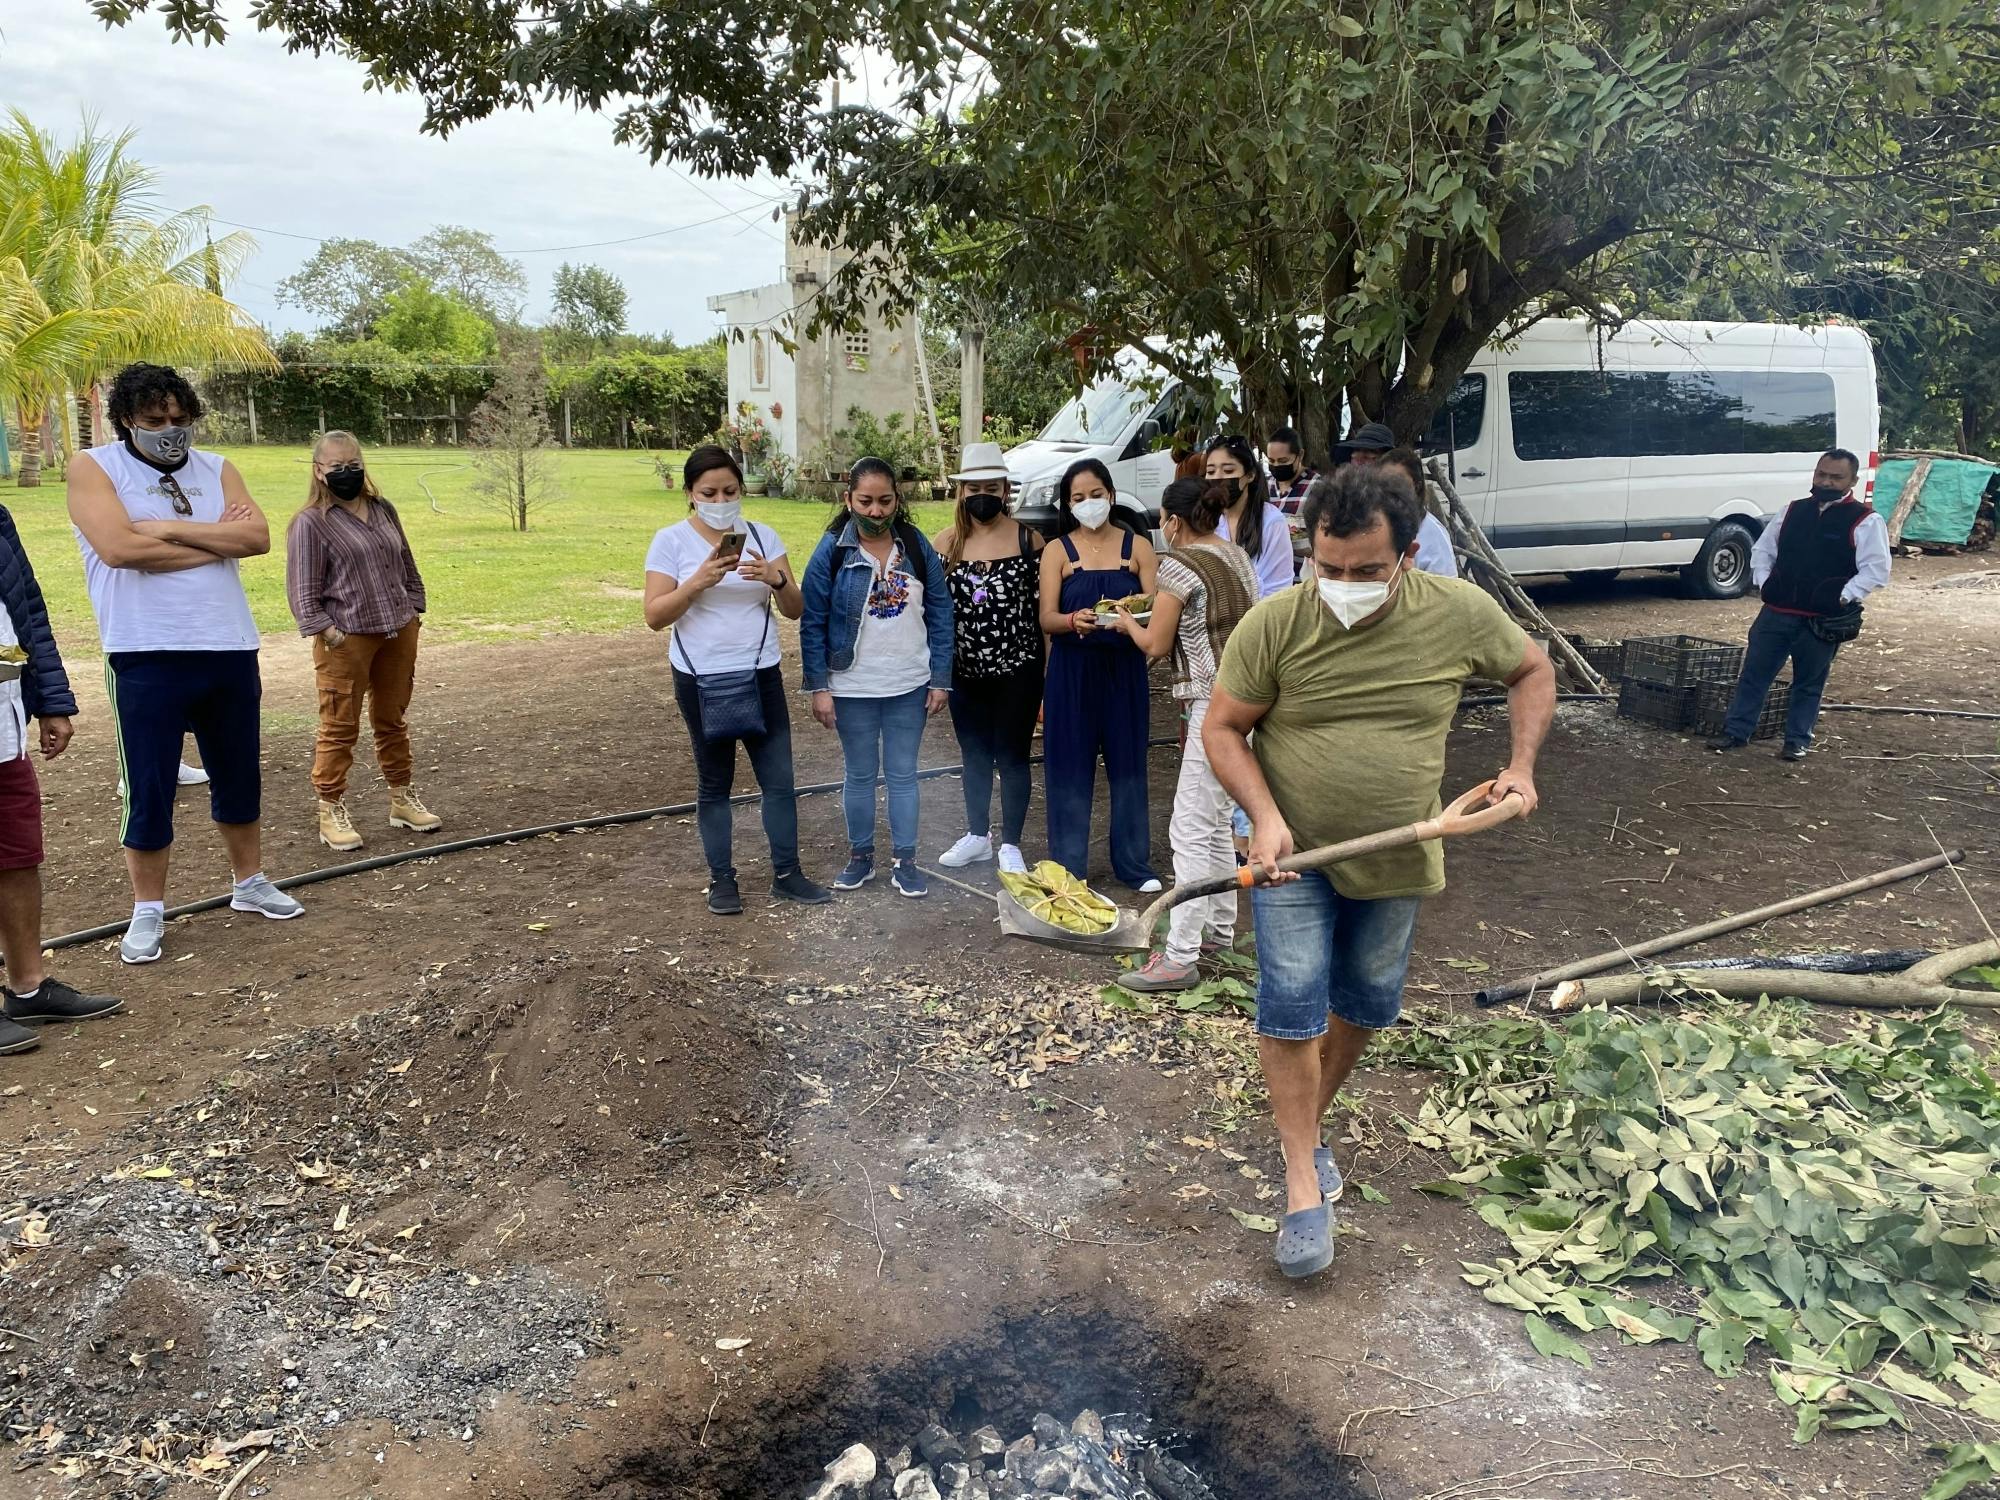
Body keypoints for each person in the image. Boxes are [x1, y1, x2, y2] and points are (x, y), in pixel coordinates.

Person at [1205, 465, 1555, 1279]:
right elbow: (1223, 729)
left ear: (1406, 557)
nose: (1345, 586)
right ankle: (1300, 1181)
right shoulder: (1275, 624)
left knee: (1365, 999)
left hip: (1399, 850)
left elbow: (1532, 670)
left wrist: (1521, 767)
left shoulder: (1458, 613)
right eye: (1329, 569)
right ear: (1308, 552)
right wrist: (1263, 818)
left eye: (1366, 571)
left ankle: (1307, 1128)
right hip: (1291, 852)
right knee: (1291, 1000)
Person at [67, 362, 303, 966]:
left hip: (227, 645)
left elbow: (256, 540)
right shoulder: (95, 468)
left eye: (180, 419)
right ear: (126, 420)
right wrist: (210, 540)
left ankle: (248, 883)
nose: (170, 430)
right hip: (144, 650)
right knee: (149, 785)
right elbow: (118, 549)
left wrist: (168, 530)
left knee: (237, 773)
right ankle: (148, 910)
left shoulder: (219, 468)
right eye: (154, 421)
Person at [645, 445, 830, 915]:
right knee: (714, 782)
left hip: (759, 672)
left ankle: (787, 873)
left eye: (729, 490)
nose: (720, 499)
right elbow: (653, 615)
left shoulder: (763, 536)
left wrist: (776, 578)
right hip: (700, 677)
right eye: (709, 491)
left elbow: (796, 609)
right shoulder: (671, 542)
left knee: (779, 780)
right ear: (690, 493)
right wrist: (696, 582)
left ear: (742, 489)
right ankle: (721, 879)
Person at [1103, 478, 1258, 992]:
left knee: (1188, 828)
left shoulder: (1178, 565)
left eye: (1163, 521)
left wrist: (1126, 621)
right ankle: (1218, 929)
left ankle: (1180, 956)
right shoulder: (1236, 556)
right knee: (1214, 823)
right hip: (1248, 699)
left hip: (1211, 707)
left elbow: (1155, 643)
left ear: (1173, 520)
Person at [800, 458, 955, 899]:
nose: (875, 511)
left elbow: (942, 613)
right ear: (848, 499)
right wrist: (820, 687)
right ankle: (860, 857)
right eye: (865, 501)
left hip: (909, 684)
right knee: (860, 774)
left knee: (905, 775)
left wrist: (940, 678)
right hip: (852, 688)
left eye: (884, 501)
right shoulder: (832, 550)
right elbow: (812, 621)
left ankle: (906, 861)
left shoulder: (916, 546)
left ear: (897, 500)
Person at [0, 504, 123, 1057]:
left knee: (18, 855)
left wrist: (50, 700)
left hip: (4, 726)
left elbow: (27, 609)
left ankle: (28, 988)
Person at [286, 431, 441, 852]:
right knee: (339, 725)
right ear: (319, 471)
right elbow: (303, 590)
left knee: (392, 717)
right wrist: (327, 630)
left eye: (353, 464)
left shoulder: (381, 508)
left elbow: (405, 560)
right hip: (345, 637)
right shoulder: (311, 522)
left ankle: (401, 798)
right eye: (337, 466)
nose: (347, 472)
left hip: (396, 628)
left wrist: (414, 607)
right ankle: (330, 808)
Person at [1708, 448, 1888, 761]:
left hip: (1820, 620)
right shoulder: (1791, 510)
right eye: (1822, 474)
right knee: (1754, 675)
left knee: (1809, 683)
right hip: (1776, 614)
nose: (1827, 481)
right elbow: (1763, 551)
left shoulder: (1866, 520)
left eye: (1836, 477)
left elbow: (1876, 569)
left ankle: (1796, 741)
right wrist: (1766, 583)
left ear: (1853, 480)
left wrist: (1842, 596)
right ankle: (1736, 732)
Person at [1038, 459, 1162, 893]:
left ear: (1110, 494)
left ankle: (1134, 864)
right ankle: (1069, 867)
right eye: (1078, 498)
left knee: (1128, 764)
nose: (1088, 504)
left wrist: (1131, 617)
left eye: (1095, 494)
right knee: (1068, 766)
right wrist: (1074, 620)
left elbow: (1156, 607)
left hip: (1124, 669)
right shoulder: (1057, 551)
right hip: (1072, 670)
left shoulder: (1138, 548)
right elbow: (1047, 618)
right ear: (1067, 505)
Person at [933, 442, 1044, 876]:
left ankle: (1012, 843)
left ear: (1004, 489)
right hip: (966, 671)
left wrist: (1047, 678)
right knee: (973, 754)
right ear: (961, 492)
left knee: (1013, 755)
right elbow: (935, 613)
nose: (983, 494)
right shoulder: (944, 544)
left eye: (991, 486)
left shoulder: (1027, 540)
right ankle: (977, 835)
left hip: (1018, 668)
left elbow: (1041, 609)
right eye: (974, 487)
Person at [1206, 435, 1293, 598]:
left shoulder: (1271, 521)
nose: (1218, 477)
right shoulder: (1207, 520)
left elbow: (1279, 589)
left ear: (1250, 475)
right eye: (1210, 471)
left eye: (1228, 471)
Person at [1377, 447, 1461, 578]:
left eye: (1398, 482)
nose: (1390, 489)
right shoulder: (1374, 526)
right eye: (1383, 482)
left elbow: (1445, 588)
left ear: (1416, 486)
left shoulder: (1432, 533)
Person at [1266, 427, 1319, 513]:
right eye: (1271, 461)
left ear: (1300, 455)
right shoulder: (1264, 485)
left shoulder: (1317, 487)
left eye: (1283, 461)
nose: (1276, 465)